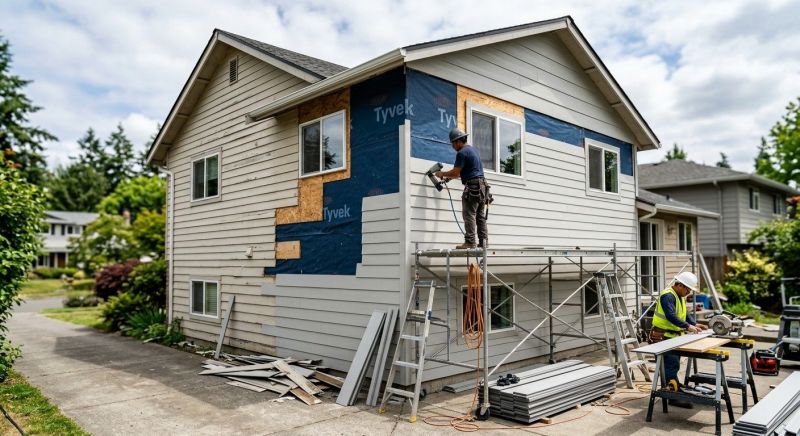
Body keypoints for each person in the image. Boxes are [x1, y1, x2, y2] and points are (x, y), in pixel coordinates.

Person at [650, 271, 708, 408]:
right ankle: (672, 397)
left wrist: (693, 324)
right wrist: (688, 327)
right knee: (670, 366)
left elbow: (684, 314)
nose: (689, 292)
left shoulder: (679, 296)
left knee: (673, 365)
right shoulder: (668, 296)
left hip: (673, 336)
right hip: (663, 336)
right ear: (680, 285)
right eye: (688, 289)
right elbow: (671, 316)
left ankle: (674, 386)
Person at [435, 128, 489, 249]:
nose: (453, 147)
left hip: (473, 187)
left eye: (453, 143)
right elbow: (463, 172)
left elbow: (455, 172)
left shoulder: (462, 153)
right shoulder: (473, 150)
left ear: (458, 141)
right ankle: (484, 242)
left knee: (469, 214)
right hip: (483, 187)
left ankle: (470, 242)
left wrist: (442, 174)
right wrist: (449, 179)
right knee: (480, 217)